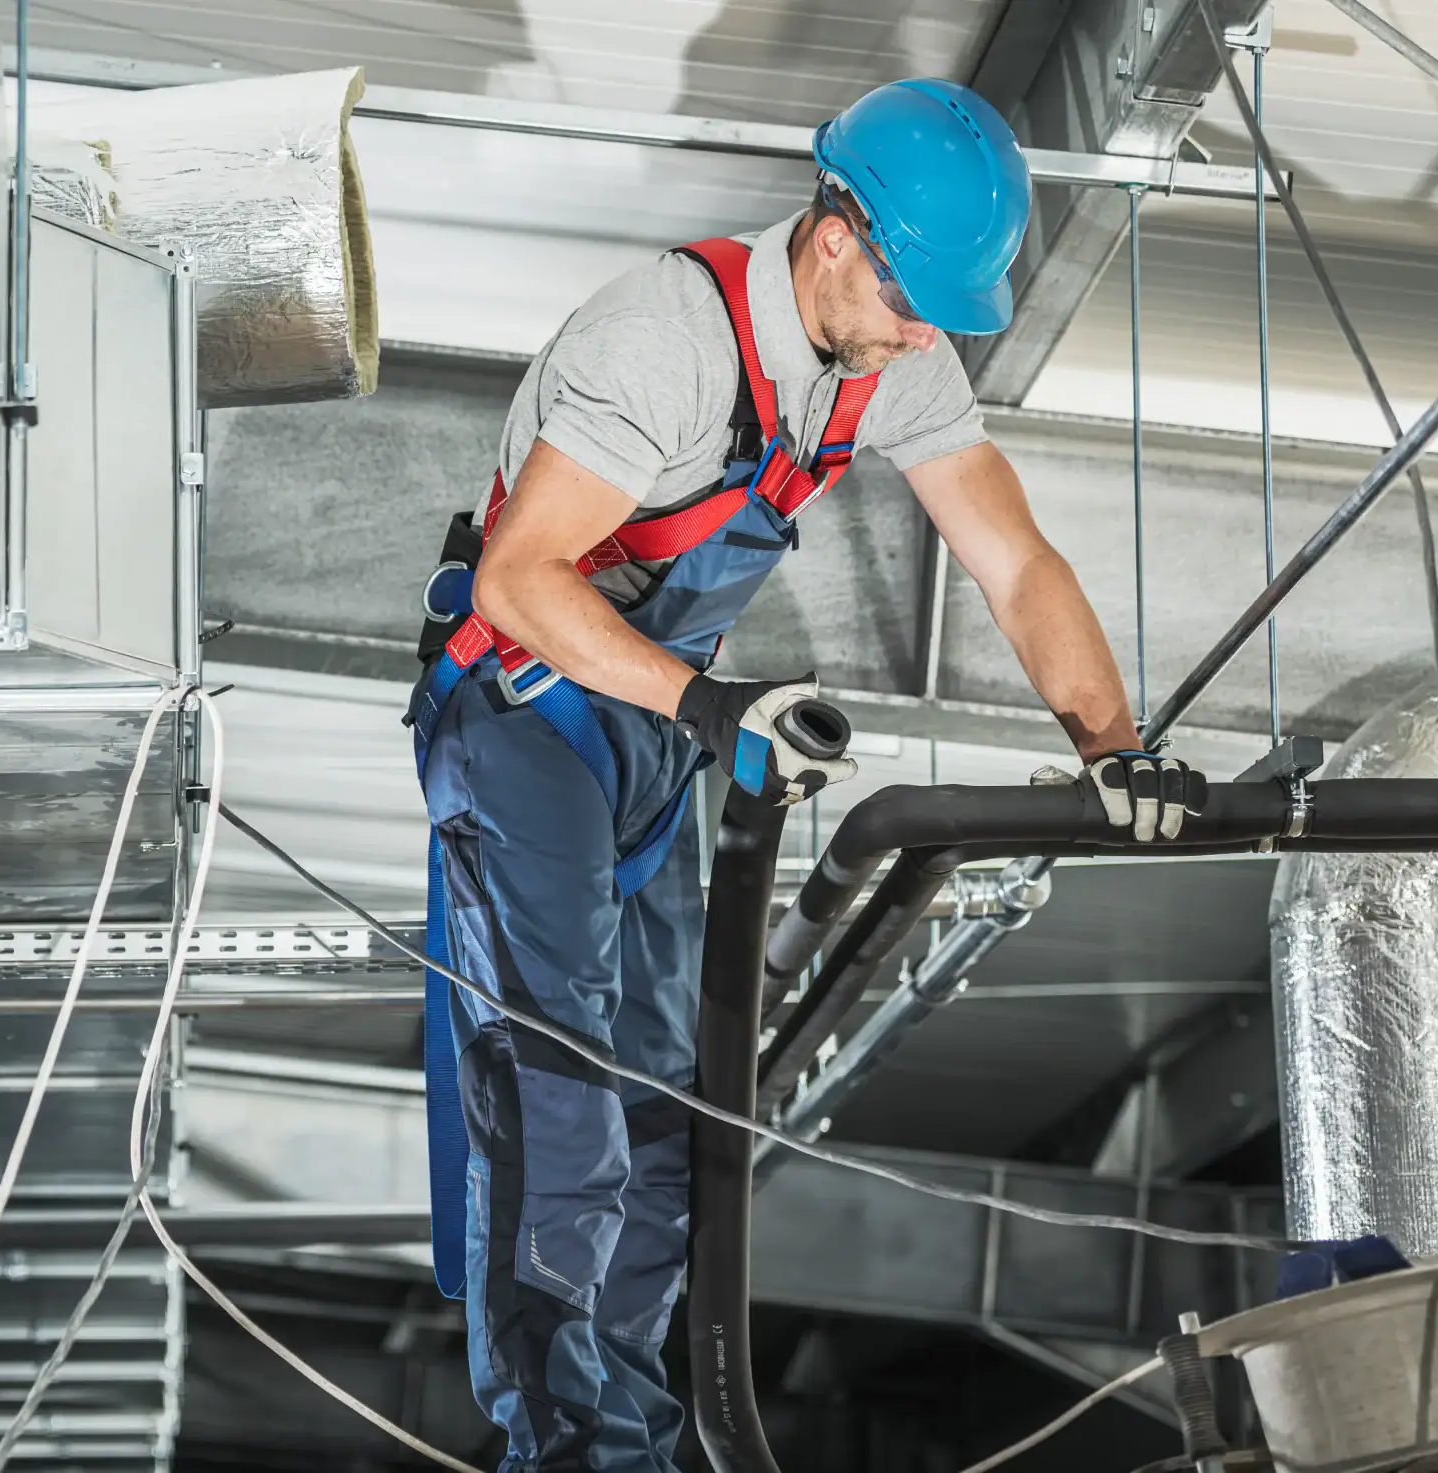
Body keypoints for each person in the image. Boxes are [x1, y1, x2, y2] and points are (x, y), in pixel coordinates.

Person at [405, 78, 1204, 1470]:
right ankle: (565, 1443)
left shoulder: (896, 354)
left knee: (672, 1101)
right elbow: (526, 580)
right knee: (563, 1079)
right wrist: (712, 705)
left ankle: (640, 1437)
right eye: (911, 299)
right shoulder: (661, 341)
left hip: (655, 732)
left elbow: (1013, 564)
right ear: (834, 232)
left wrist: (1111, 742)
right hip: (522, 703)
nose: (924, 334)